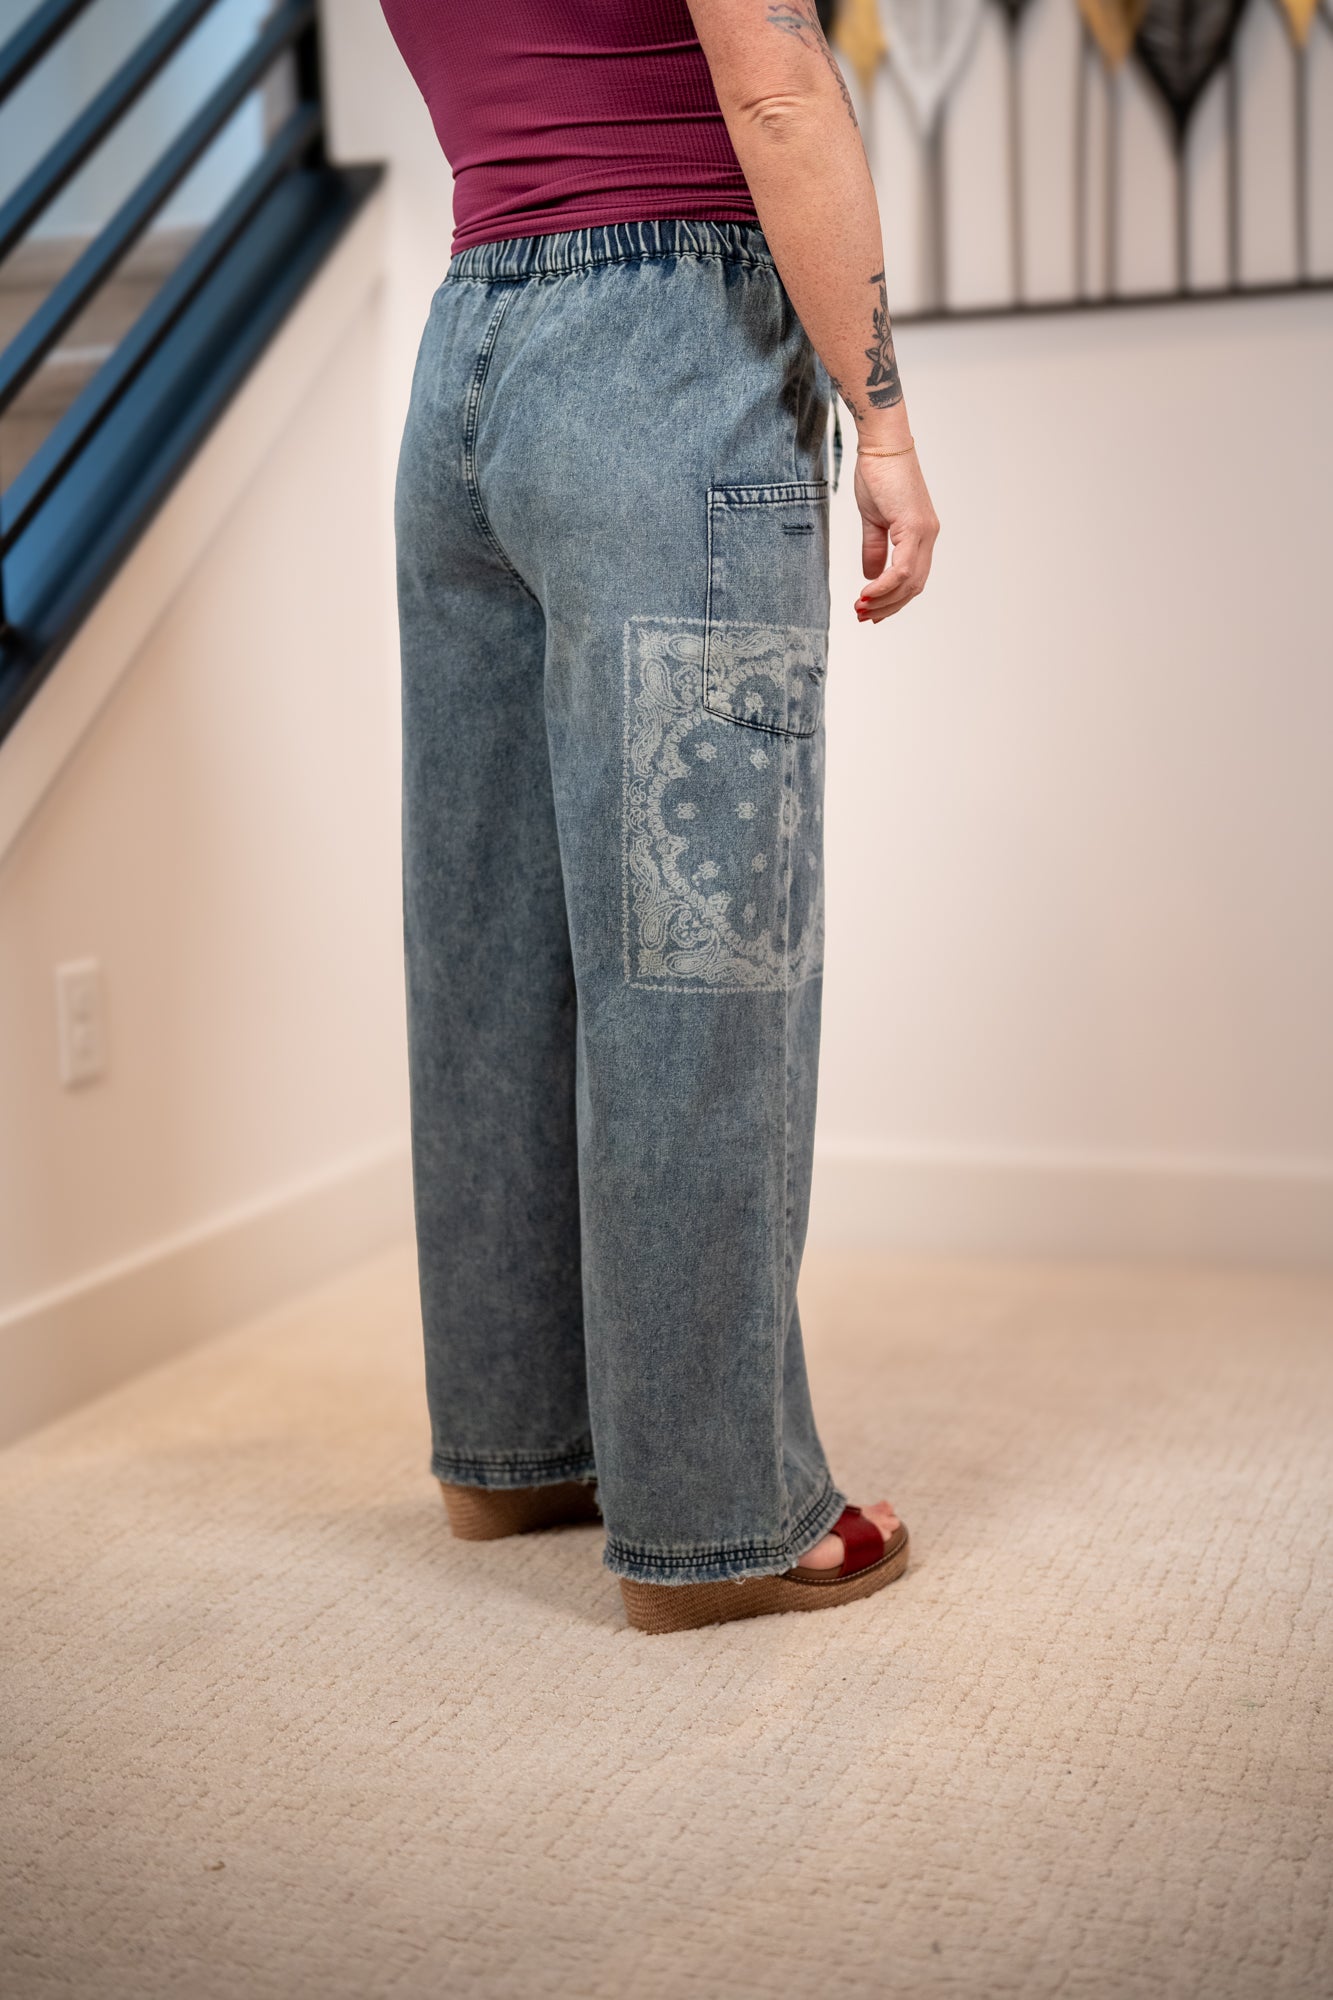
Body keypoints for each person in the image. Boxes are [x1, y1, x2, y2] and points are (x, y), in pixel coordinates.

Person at [381, 0, 940, 1633]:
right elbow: (772, 86)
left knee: (495, 936)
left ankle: (519, 1445)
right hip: (670, 347)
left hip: (466, 360)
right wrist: (883, 420)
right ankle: (718, 1513)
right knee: (703, 953)